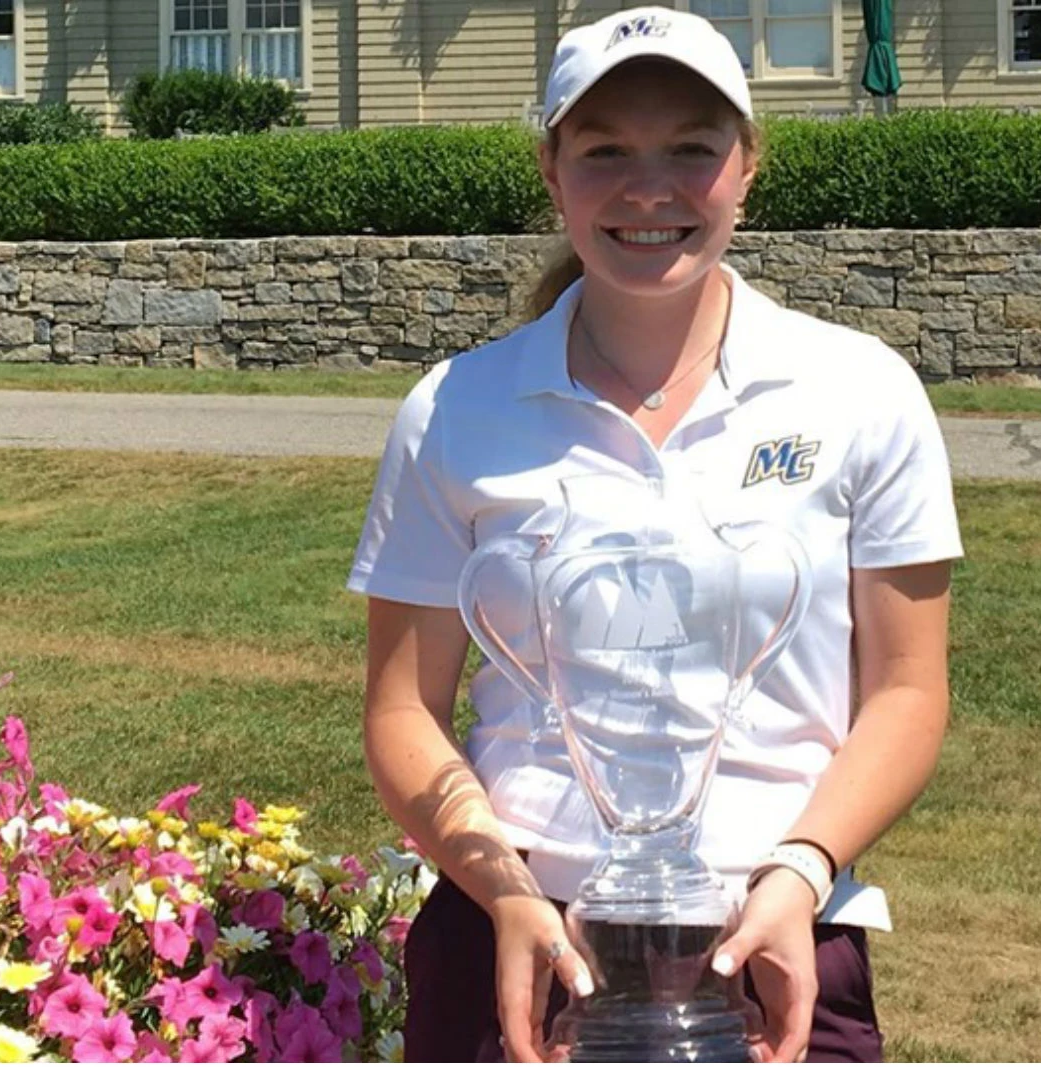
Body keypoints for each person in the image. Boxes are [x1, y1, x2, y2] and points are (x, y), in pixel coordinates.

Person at [348, 7, 962, 1061]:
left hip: (774, 944)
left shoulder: (860, 390)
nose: (649, 188)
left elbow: (907, 691)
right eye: (605, 152)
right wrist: (503, 890)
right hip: (515, 939)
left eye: (691, 147)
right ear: (550, 170)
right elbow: (404, 710)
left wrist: (801, 868)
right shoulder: (455, 407)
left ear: (747, 164)